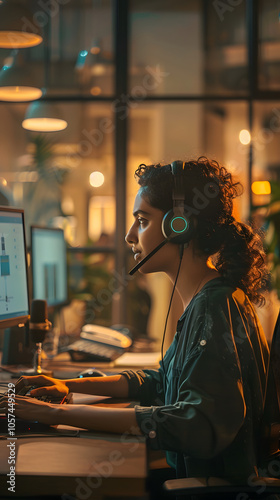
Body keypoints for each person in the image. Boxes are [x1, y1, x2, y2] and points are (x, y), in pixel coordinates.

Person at [0, 157, 270, 487]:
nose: (130, 236)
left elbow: (195, 424)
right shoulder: (210, 299)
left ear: (179, 226)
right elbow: (160, 383)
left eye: (142, 221)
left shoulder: (213, 307)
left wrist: (55, 414)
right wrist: (69, 387)